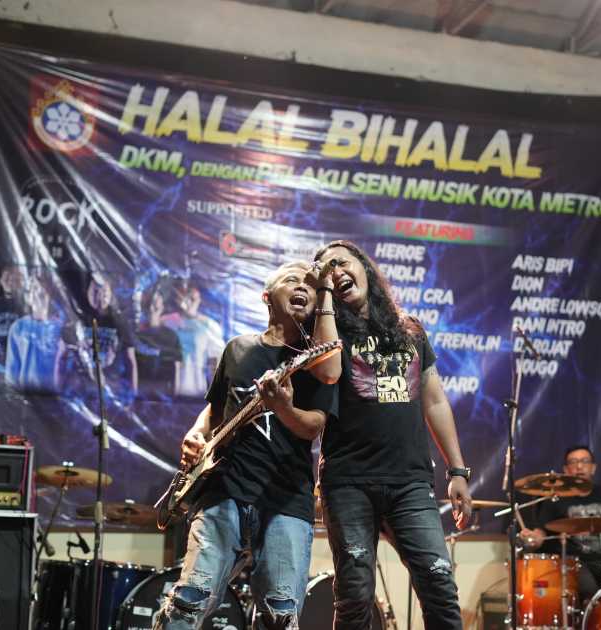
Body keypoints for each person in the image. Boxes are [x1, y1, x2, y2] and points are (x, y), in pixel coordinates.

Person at [155, 261, 338, 630]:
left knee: (280, 615)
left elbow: (313, 427)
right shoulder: (237, 348)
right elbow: (214, 411)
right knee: (188, 603)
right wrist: (196, 434)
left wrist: (283, 407)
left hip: (286, 498)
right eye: (292, 280)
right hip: (223, 490)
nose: (303, 287)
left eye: (310, 285)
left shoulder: (317, 362)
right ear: (267, 297)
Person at [310, 240, 473, 630]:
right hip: (348, 482)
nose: (336, 273)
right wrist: (324, 296)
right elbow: (327, 371)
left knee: (439, 585)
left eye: (342, 263)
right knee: (355, 596)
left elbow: (435, 401)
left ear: (364, 267)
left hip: (409, 482)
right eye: (327, 272)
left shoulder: (410, 329)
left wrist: (457, 471)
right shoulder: (326, 332)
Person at [518, 445, 601, 604]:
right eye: (573, 462)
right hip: (571, 563)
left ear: (593, 467)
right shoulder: (555, 498)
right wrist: (532, 538)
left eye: (584, 461)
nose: (579, 466)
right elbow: (541, 533)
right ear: (566, 469)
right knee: (590, 591)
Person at [4, 273, 65, 394]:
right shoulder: (18, 327)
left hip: (55, 398)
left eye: (44, 291)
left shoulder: (61, 327)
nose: (39, 294)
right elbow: (12, 374)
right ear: (28, 297)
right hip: (27, 398)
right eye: (35, 290)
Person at [163, 283, 224, 398]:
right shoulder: (167, 322)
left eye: (192, 299)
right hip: (168, 393)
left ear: (199, 300)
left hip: (198, 392)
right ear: (178, 299)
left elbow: (215, 362)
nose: (188, 302)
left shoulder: (209, 326)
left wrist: (215, 394)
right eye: (185, 297)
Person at [135, 277, 183, 399]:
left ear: (162, 307)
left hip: (164, 392)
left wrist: (175, 395)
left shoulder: (171, 336)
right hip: (142, 391)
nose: (153, 307)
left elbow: (176, 367)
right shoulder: (137, 335)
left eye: (156, 303)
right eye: (150, 302)